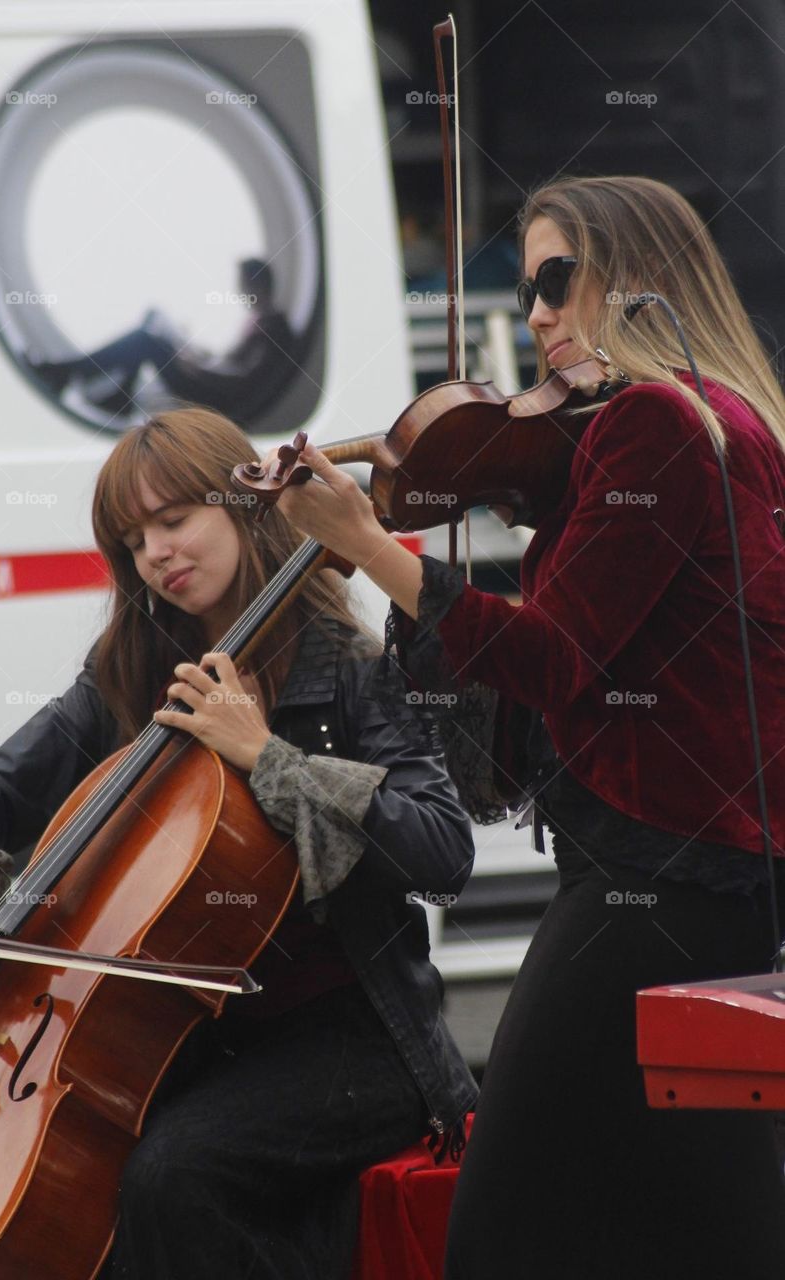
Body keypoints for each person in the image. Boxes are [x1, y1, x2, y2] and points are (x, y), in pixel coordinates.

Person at [273, 175, 785, 1278]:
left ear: (639, 279)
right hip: (711, 881)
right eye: (528, 288)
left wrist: (368, 544)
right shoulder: (723, 420)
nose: (537, 313)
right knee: (697, 1224)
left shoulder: (657, 422)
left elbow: (551, 659)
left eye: (559, 280)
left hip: (648, 890)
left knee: (504, 1225)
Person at [0, 407, 477, 1279]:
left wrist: (268, 757)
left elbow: (442, 852)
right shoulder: (129, 674)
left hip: (353, 1040)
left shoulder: (347, 667)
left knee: (173, 1179)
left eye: (175, 519)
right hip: (194, 1042)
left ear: (245, 508)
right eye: (133, 536)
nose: (156, 551)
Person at [27, 258, 296, 421]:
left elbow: (243, 380)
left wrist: (196, 367)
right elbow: (232, 362)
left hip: (213, 396)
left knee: (146, 341)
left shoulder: (274, 326)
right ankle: (116, 394)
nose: (239, 291)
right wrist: (198, 353)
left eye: (242, 284)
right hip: (209, 379)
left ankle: (68, 372)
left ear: (256, 284)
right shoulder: (260, 320)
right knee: (154, 317)